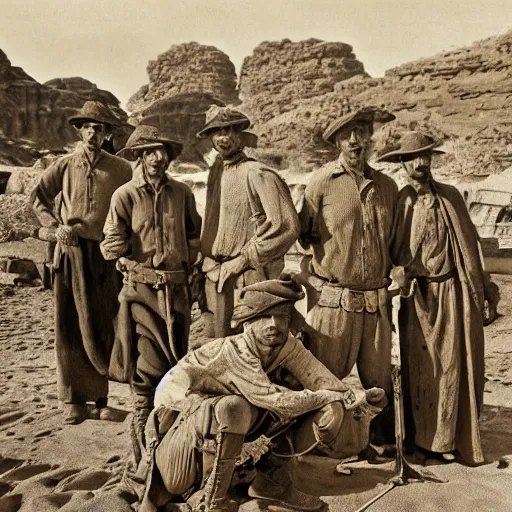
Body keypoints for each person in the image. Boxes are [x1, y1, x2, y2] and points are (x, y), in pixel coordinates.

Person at [128, 276, 386, 512]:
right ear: (247, 323)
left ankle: (273, 485)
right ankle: (213, 501)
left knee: (319, 407)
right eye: (264, 316)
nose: (274, 324)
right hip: (177, 448)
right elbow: (278, 401)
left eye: (281, 316)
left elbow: (323, 380)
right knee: (240, 406)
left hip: (217, 435)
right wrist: (325, 396)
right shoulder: (235, 352)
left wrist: (359, 401)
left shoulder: (285, 346)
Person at [378, 131, 491, 465]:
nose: (420, 163)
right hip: (417, 300)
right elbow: (393, 250)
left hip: (451, 295)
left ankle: (446, 440)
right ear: (402, 163)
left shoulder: (450, 197)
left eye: (425, 156)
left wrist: (481, 291)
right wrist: (399, 275)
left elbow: (470, 249)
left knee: (452, 367)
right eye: (413, 158)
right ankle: (420, 442)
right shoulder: (402, 201)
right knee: (421, 370)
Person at [101, 124, 202, 458]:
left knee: (176, 365)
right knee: (146, 369)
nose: (158, 158)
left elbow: (193, 236)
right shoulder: (125, 195)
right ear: (140, 157)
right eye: (150, 152)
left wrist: (196, 272)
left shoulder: (183, 193)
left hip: (178, 294)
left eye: (163, 152)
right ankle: (142, 451)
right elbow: (111, 241)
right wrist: (120, 255)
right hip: (142, 292)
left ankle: (170, 445)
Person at [298, 107, 397, 444]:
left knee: (379, 382)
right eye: (346, 135)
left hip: (377, 304)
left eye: (361, 132)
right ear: (336, 142)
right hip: (334, 303)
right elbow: (304, 235)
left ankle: (381, 446)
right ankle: (313, 445)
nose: (355, 140)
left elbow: (396, 242)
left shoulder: (386, 186)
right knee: (324, 380)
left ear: (369, 137)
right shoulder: (321, 184)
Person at [32, 100, 132, 425]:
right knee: (69, 324)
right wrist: (52, 228)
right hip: (71, 251)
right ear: (79, 130)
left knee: (104, 323)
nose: (92, 132)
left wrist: (126, 248)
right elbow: (39, 198)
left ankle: (101, 400)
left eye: (99, 128)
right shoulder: (63, 165)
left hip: (104, 256)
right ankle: (73, 400)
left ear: (107, 133)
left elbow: (133, 210)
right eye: (87, 127)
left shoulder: (121, 169)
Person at [197, 105, 300, 337]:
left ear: (240, 135)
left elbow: (286, 226)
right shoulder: (216, 173)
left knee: (254, 347)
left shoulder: (257, 173)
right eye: (217, 132)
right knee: (221, 348)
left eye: (230, 131)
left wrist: (244, 258)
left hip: (249, 278)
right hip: (217, 276)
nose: (224, 138)